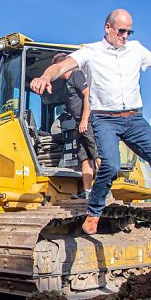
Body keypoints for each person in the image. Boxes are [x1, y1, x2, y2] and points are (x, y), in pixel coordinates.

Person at [30, 9, 151, 256]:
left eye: (129, 32)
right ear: (108, 27)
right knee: (111, 165)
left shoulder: (136, 50)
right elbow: (62, 65)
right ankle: (94, 210)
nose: (125, 36)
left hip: (135, 119)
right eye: (121, 31)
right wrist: (44, 76)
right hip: (104, 119)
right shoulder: (91, 51)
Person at [51, 52, 99, 199]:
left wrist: (84, 120)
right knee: (85, 157)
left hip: (88, 122)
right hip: (79, 125)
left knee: (97, 154)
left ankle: (105, 189)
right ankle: (87, 191)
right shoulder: (67, 83)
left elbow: (88, 94)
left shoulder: (77, 75)